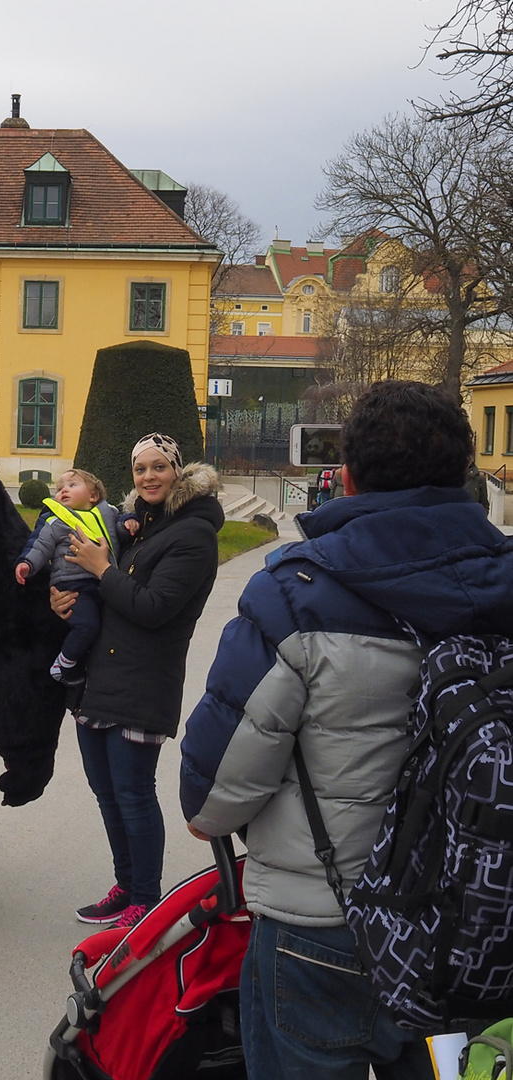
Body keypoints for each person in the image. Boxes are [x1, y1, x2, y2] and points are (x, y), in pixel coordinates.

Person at [179, 380, 513, 1080]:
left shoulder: (294, 593)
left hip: (324, 929)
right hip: (480, 935)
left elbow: (214, 799)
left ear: (349, 478)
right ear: (464, 473)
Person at [56, 433, 223, 929]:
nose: (148, 477)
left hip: (145, 680)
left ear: (177, 470)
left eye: (158, 467)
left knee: (132, 791)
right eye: (139, 469)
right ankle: (126, 886)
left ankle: (145, 898)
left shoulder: (193, 535)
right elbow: (105, 595)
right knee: (106, 792)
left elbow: (154, 608)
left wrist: (102, 568)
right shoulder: (141, 527)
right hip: (100, 679)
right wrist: (64, 601)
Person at [13, 468, 131, 684]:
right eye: (59, 489)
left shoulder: (107, 512)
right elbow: (39, 544)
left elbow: (120, 529)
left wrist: (129, 523)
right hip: (72, 585)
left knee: (102, 627)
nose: (63, 490)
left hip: (102, 582)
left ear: (93, 496)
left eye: (72, 485)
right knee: (87, 626)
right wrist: (27, 563)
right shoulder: (56, 520)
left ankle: (80, 665)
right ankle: (64, 663)